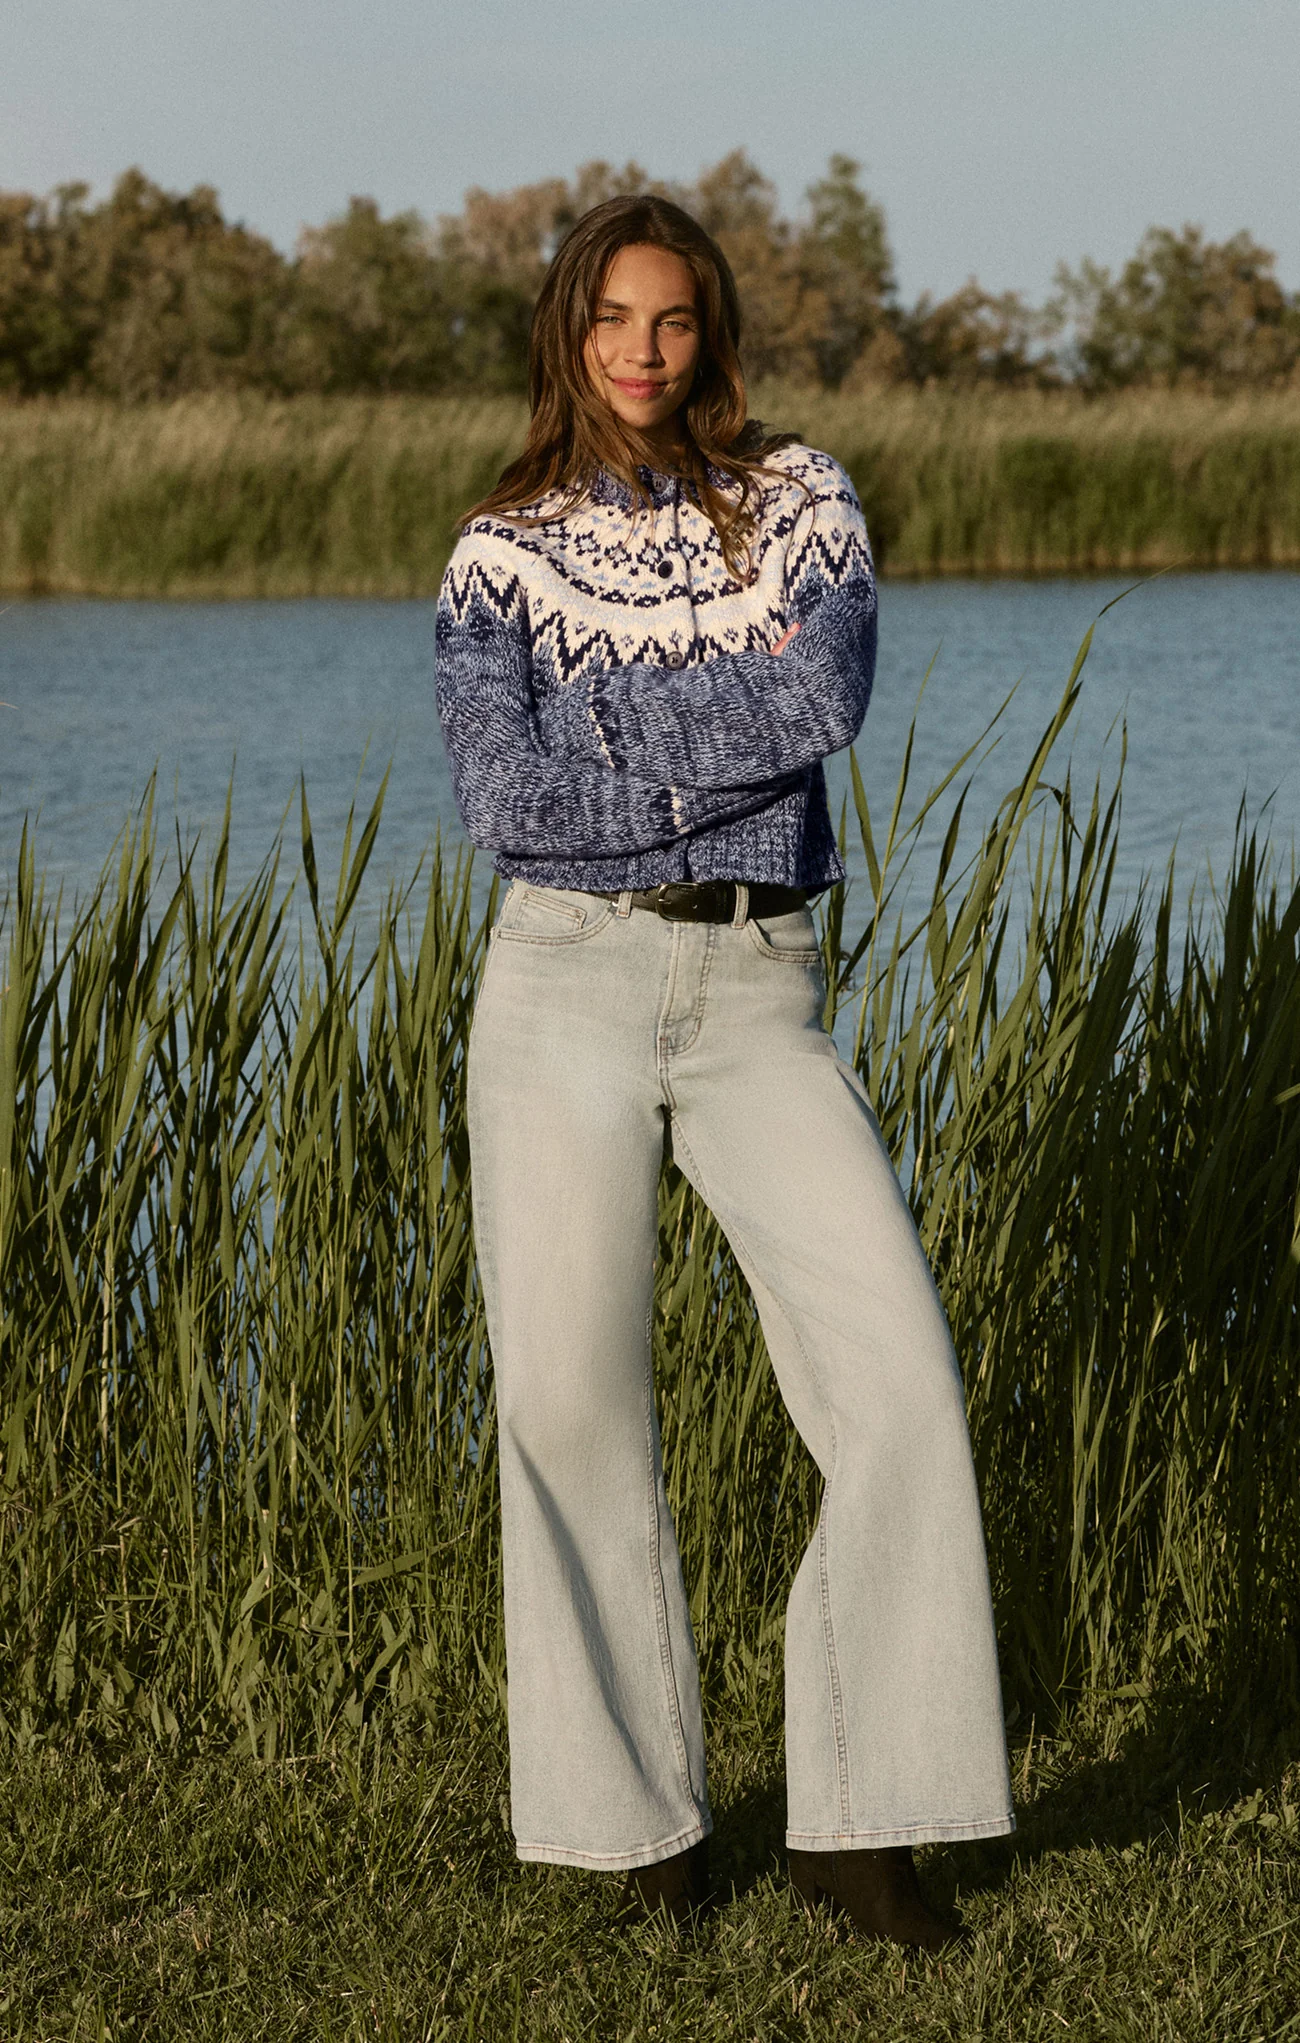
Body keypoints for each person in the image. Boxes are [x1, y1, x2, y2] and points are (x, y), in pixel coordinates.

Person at [435, 194, 1013, 1952]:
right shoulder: (499, 553)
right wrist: (706, 740)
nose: (642, 350)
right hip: (563, 984)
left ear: (713, 335)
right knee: (569, 1404)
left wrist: (607, 724)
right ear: (569, 329)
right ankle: (641, 1833)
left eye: (673, 319)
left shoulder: (802, 499)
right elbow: (503, 798)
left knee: (898, 1379)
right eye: (612, 317)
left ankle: (866, 1819)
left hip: (762, 988)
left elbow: (820, 701)